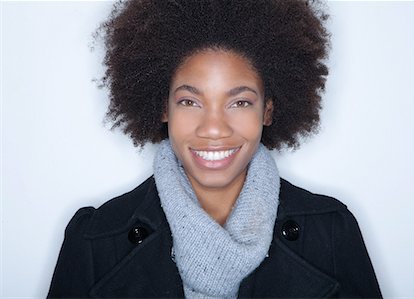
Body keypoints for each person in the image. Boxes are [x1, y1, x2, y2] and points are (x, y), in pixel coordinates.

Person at [48, 0, 382, 298]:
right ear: (163, 108)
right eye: (190, 101)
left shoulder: (332, 234)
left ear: (267, 111)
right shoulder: (93, 240)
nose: (213, 128)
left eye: (239, 102)